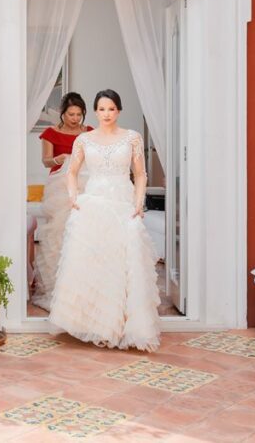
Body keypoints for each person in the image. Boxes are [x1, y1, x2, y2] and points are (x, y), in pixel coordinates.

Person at [48, 89, 160, 351]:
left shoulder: (132, 138)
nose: (106, 114)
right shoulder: (84, 140)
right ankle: (93, 323)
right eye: (102, 109)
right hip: (93, 204)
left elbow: (141, 174)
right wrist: (74, 197)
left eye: (111, 109)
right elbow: (71, 172)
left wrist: (139, 203)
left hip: (123, 204)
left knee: (123, 261)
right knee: (94, 261)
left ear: (118, 110)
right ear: (95, 112)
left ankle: (122, 324)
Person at [31, 92, 92, 311]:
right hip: (59, 187)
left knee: (84, 233)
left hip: (85, 185)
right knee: (58, 234)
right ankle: (56, 286)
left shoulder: (90, 133)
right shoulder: (50, 133)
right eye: (71, 114)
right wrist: (57, 159)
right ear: (62, 113)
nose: (75, 119)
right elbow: (46, 161)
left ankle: (84, 285)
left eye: (79, 114)